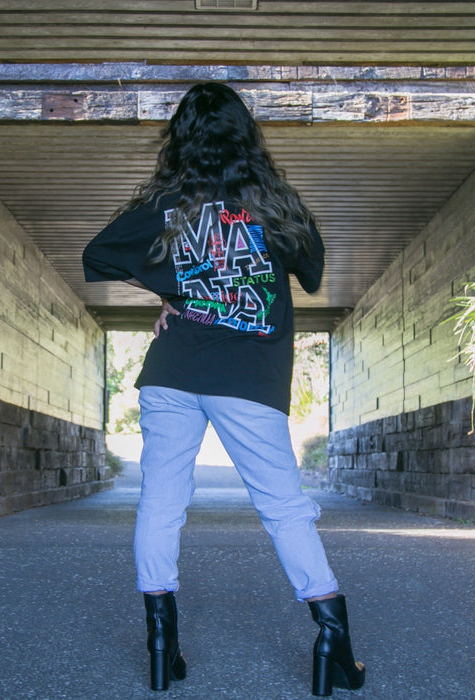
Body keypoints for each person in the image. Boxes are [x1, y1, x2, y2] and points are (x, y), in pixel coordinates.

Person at [82, 82, 365, 697]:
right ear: (245, 137)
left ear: (181, 140)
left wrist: (172, 290)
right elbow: (313, 272)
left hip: (172, 373)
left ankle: (162, 647)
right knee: (284, 507)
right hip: (248, 377)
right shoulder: (276, 206)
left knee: (161, 503)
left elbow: (100, 254)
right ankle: (331, 639)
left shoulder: (167, 209)